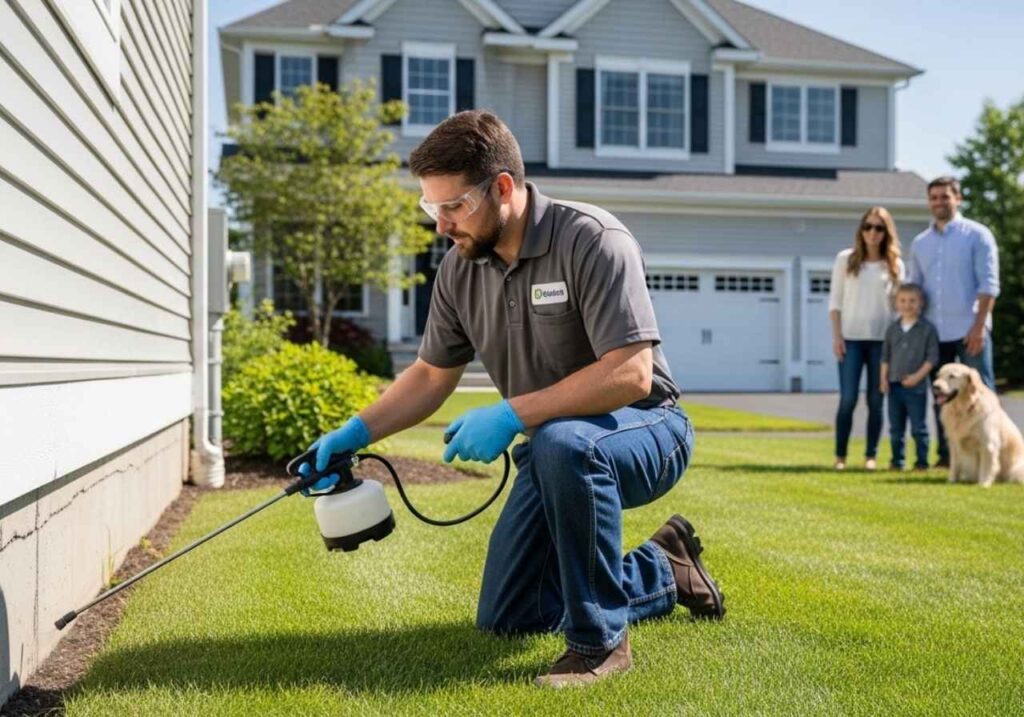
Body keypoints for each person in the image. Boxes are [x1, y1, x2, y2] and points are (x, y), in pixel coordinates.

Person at [299, 111, 724, 688]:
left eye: (453, 206)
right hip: (558, 447)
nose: (442, 225)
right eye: (432, 208)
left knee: (562, 440)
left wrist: (511, 413)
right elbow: (429, 376)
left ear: (502, 188)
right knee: (511, 617)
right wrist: (353, 434)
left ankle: (599, 644)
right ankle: (665, 568)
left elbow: (630, 374)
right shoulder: (459, 269)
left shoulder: (591, 239)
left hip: (649, 429)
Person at [907, 176, 1000, 468]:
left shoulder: (977, 235)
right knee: (942, 397)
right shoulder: (920, 243)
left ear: (957, 198)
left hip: (969, 331)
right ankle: (948, 457)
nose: (939, 202)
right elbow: (914, 289)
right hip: (935, 333)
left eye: (944, 197)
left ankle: (990, 456)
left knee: (982, 394)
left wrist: (978, 327)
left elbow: (989, 286)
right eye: (933, 197)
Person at [828, 207, 905, 471]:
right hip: (850, 341)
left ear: (887, 233)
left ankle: (870, 455)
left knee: (876, 401)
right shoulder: (845, 260)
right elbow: (835, 303)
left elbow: (899, 310)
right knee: (848, 399)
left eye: (879, 228)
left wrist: (895, 348)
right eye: (868, 227)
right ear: (861, 230)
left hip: (882, 345)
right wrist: (837, 337)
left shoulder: (895, 265)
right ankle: (840, 456)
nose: (873, 233)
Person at [881, 284, 939, 471]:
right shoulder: (892, 329)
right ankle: (897, 461)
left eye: (912, 301)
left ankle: (922, 462)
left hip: (917, 387)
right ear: (896, 303)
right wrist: (883, 379)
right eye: (903, 301)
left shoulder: (927, 329)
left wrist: (917, 377)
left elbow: (932, 358)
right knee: (896, 428)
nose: (907, 305)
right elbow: (885, 357)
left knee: (918, 427)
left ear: (921, 303)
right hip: (894, 385)